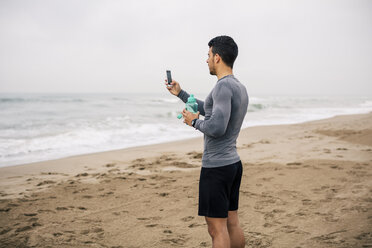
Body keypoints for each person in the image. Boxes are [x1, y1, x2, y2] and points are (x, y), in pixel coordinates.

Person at [165, 35, 248, 248]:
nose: (207, 60)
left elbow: (217, 127)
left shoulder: (222, 87)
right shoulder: (239, 87)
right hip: (232, 164)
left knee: (216, 229)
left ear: (217, 57)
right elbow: (213, 110)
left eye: (208, 55)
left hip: (217, 167)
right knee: (232, 223)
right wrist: (181, 94)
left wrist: (194, 122)